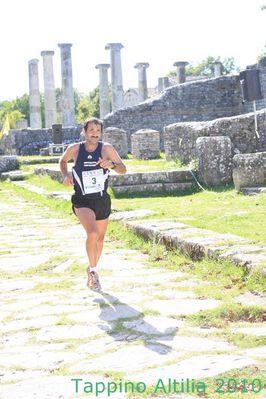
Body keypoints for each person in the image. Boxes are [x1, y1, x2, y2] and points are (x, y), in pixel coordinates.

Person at [59, 117, 127, 291]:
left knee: (100, 239)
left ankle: (91, 267)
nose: (95, 134)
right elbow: (63, 161)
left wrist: (111, 164)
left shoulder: (107, 149)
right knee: (93, 233)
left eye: (98, 131)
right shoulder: (75, 149)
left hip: (102, 199)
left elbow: (122, 169)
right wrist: (66, 175)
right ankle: (94, 273)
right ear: (84, 131)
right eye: (91, 131)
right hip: (82, 200)